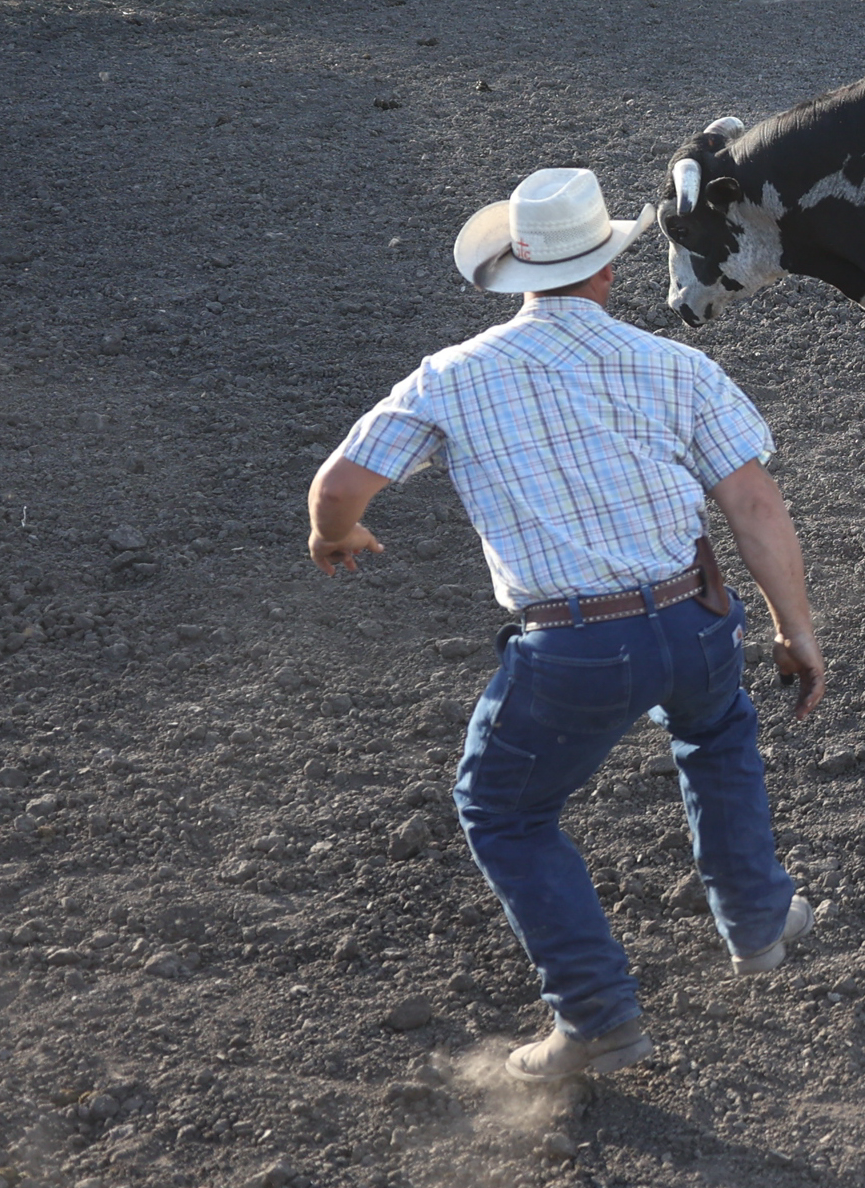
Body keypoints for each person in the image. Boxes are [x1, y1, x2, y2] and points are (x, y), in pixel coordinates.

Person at [306, 167, 828, 1084]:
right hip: (696, 618)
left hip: (575, 645)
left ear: (516, 273)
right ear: (608, 267)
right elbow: (754, 504)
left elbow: (340, 486)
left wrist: (334, 536)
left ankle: (595, 1017)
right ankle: (757, 926)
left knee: (503, 811)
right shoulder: (677, 367)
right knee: (715, 735)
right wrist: (798, 631)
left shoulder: (451, 378)